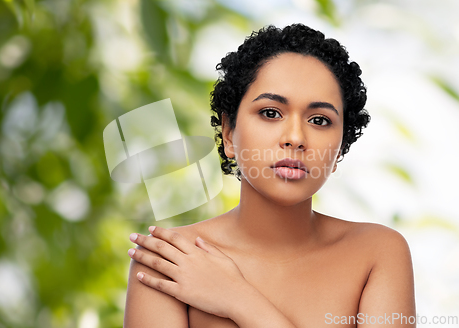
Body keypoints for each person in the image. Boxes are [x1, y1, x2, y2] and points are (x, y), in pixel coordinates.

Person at [123, 23, 416, 327]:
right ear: (228, 132)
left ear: (340, 148)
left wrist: (237, 299)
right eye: (271, 113)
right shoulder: (170, 261)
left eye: (319, 120)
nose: (295, 137)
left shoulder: (377, 253)